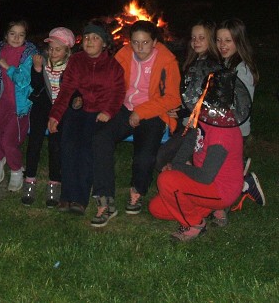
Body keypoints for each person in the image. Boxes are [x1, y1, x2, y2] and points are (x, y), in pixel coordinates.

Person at [90, 20, 181, 227]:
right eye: (135, 42)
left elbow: (172, 98)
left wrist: (141, 112)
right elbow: (110, 84)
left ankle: (137, 190)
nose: (139, 48)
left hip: (153, 111)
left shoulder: (167, 61)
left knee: (144, 154)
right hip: (124, 107)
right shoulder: (123, 56)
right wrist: (106, 107)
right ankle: (105, 198)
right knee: (101, 137)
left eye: (145, 42)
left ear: (155, 42)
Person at [149, 69, 252, 241]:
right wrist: (176, 163)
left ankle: (195, 224)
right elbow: (191, 138)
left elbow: (205, 176)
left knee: (166, 181)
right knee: (156, 208)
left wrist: (177, 168)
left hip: (220, 189)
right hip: (205, 184)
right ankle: (209, 208)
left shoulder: (222, 133)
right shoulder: (209, 115)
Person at [48, 21, 125, 215]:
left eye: (95, 38)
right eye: (87, 37)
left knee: (85, 151)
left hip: (99, 114)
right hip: (78, 111)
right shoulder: (76, 61)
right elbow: (66, 90)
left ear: (104, 43)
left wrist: (108, 112)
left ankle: (80, 199)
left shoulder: (113, 66)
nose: (89, 41)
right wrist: (55, 115)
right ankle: (66, 195)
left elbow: (118, 94)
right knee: (68, 147)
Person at [155, 20, 222, 171]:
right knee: (165, 159)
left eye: (201, 38)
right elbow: (189, 93)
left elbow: (208, 101)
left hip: (199, 127)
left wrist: (184, 111)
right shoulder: (195, 61)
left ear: (211, 40)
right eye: (193, 38)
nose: (196, 41)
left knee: (164, 160)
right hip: (187, 123)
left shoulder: (211, 66)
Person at [22, 27, 74, 206]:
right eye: (51, 48)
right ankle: (29, 180)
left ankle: (54, 183)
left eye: (58, 49)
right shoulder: (42, 62)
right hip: (41, 107)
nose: (53, 52)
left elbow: (73, 90)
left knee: (56, 146)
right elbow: (36, 87)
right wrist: (37, 70)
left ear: (67, 51)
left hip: (60, 110)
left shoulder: (71, 67)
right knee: (34, 143)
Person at [215, 18, 264, 212]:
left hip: (235, 130)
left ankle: (226, 202)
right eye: (219, 40)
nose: (222, 45)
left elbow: (239, 108)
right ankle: (242, 179)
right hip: (224, 126)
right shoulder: (225, 63)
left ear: (239, 41)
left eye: (228, 40)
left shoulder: (241, 70)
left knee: (220, 171)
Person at [0, 20, 38, 192]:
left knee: (9, 142)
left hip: (20, 106)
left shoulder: (28, 55)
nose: (16, 38)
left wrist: (7, 66)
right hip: (3, 101)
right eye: (12, 34)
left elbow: (24, 81)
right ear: (6, 35)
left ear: (26, 37)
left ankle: (17, 170)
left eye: (21, 35)